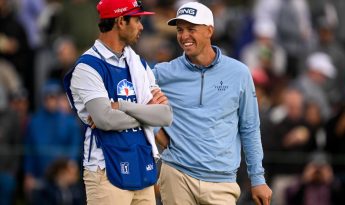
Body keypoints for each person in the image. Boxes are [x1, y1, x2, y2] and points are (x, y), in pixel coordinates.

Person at [152, 2, 272, 205]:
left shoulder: (239, 73)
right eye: (180, 30)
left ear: (209, 31)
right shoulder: (163, 73)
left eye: (191, 29)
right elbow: (132, 94)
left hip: (222, 181)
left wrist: (258, 178)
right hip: (176, 175)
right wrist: (155, 129)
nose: (184, 36)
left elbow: (250, 128)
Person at [63, 0, 173, 204]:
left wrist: (123, 107)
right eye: (137, 19)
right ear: (121, 21)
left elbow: (165, 115)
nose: (141, 26)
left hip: (142, 165)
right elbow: (105, 120)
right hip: (105, 171)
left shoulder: (139, 63)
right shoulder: (88, 67)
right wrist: (146, 114)